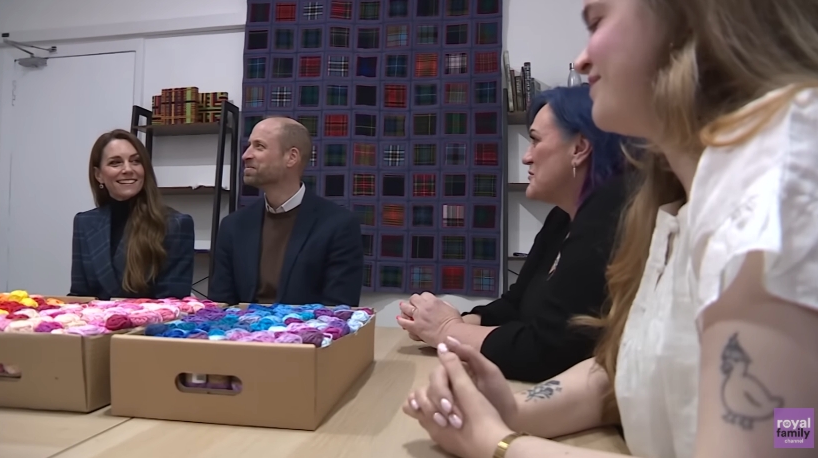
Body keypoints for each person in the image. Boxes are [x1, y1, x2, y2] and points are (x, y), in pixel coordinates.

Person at [401, 1, 818, 458]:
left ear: (689, 21)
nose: (581, 60)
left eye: (597, 22)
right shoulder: (674, 197)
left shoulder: (787, 180)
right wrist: (513, 409)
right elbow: (623, 368)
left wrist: (498, 444)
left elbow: (791, 432)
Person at [396, 86, 630, 382]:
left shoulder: (607, 223)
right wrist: (451, 322)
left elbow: (545, 353)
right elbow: (515, 306)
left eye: (535, 141)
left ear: (580, 148)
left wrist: (447, 331)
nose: (526, 158)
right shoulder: (561, 218)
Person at [208, 117, 364, 306]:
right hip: (240, 333)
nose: (246, 155)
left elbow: (338, 311)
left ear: (291, 157)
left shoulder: (338, 225)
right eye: (249, 145)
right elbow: (220, 306)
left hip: (308, 334)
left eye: (259, 146)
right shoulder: (233, 226)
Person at [70, 129, 195, 300]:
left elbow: (172, 305)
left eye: (136, 161)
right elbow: (79, 297)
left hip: (149, 325)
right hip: (95, 325)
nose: (128, 169)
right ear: (98, 175)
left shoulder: (176, 224)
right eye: (115, 163)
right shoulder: (84, 223)